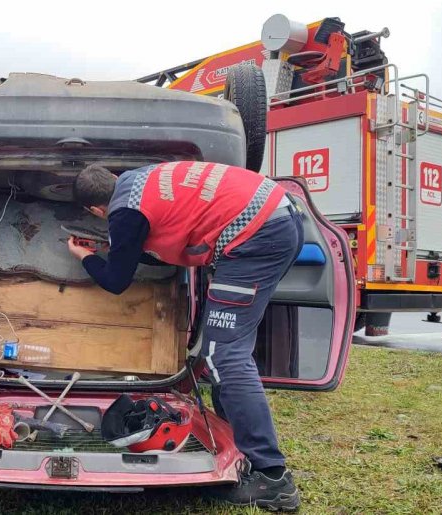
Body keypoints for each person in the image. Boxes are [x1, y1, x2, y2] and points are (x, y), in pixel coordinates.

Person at [67, 162, 304, 511]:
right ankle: (239, 449)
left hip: (256, 236)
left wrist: (85, 256)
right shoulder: (140, 177)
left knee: (225, 355)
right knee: (217, 351)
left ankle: (273, 478)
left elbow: (117, 281)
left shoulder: (124, 211)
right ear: (114, 178)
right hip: (277, 216)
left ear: (94, 210)